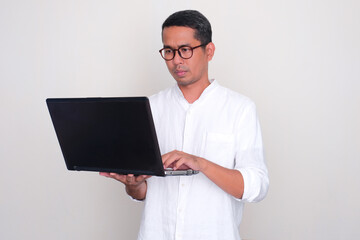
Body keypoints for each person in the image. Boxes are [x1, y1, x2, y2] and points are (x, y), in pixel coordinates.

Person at [100, 10, 269, 240]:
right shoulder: (150, 107)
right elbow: (144, 192)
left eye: (185, 50)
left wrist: (200, 163)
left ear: (209, 51)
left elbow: (256, 187)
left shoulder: (240, 109)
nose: (176, 60)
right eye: (169, 51)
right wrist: (133, 185)